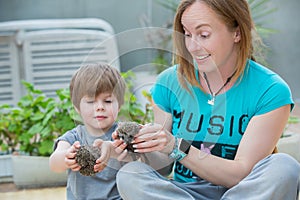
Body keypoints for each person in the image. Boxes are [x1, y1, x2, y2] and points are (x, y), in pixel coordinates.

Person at [115, 0, 300, 199]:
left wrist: (178, 146)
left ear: (237, 32)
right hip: (184, 193)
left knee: (284, 167)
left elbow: (240, 174)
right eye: (187, 34)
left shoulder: (270, 90)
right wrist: (137, 148)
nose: (192, 47)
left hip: (242, 193)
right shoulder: (168, 83)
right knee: (130, 174)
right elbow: (163, 166)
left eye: (203, 35)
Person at [49, 63, 127, 200]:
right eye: (91, 101)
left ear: (119, 105)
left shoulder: (122, 134)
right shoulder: (74, 137)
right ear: (77, 107)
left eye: (108, 101)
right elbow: (54, 164)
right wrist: (66, 157)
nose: (100, 107)